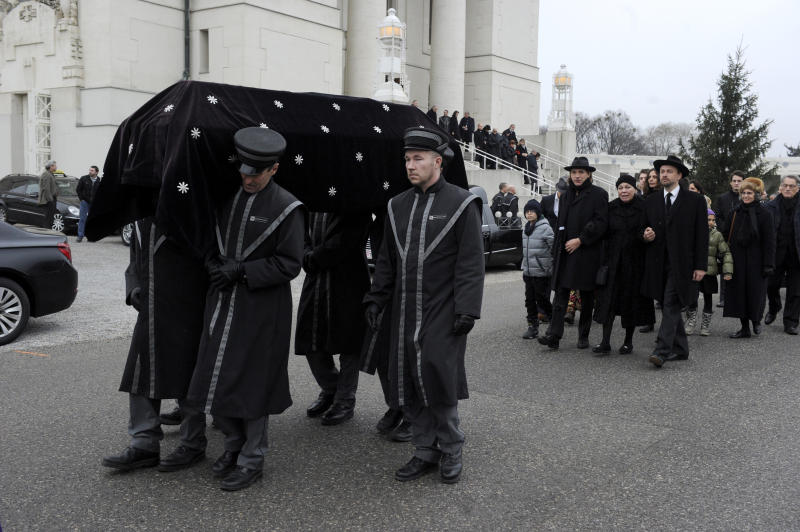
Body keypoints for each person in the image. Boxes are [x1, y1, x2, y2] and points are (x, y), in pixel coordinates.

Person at [185, 127, 305, 491]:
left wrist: (242, 271)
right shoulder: (228, 196)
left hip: (261, 308)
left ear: (274, 169)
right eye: (244, 170)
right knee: (216, 377)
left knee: (253, 384)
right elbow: (212, 241)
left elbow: (290, 264)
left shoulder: (288, 207)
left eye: (256, 173)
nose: (248, 178)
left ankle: (252, 459)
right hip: (222, 301)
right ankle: (233, 445)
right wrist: (212, 263)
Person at [364, 126, 484, 485]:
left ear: (438, 162)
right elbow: (386, 261)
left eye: (418, 159)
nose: (410, 165)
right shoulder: (396, 205)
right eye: (407, 159)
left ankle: (451, 448)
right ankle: (424, 450)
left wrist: (467, 308)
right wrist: (376, 298)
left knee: (437, 378)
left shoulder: (462, 203)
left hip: (443, 310)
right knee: (407, 380)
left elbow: (470, 262)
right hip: (402, 311)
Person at [101, 216, 208, 473]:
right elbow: (135, 261)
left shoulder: (190, 209)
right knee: (141, 373)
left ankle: (193, 443)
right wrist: (133, 288)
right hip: (150, 309)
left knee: (187, 373)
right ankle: (144, 443)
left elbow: (205, 259)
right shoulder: (139, 218)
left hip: (186, 307)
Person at [295, 211, 371, 425]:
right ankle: (331, 388)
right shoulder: (312, 198)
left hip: (348, 278)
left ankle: (345, 399)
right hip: (316, 278)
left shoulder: (356, 200)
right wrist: (305, 253)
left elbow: (350, 236)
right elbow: (301, 231)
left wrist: (316, 256)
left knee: (349, 344)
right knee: (310, 340)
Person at [641, 155, 708, 367]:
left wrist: (700, 266)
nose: (664, 175)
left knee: (670, 303)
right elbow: (642, 228)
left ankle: (661, 350)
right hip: (657, 262)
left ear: (679, 175)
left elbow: (702, 235)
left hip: (683, 264)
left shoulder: (695, 201)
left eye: (669, 171)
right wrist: (645, 235)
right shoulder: (650, 201)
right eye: (662, 171)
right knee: (667, 303)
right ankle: (681, 349)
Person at [537, 157, 609, 350]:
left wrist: (581, 239)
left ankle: (583, 336)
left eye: (581, 172)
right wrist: (557, 249)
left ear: (589, 174)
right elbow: (560, 223)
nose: (577, 176)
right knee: (561, 294)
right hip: (566, 252)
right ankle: (554, 335)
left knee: (586, 296)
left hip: (587, 252)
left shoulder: (599, 194)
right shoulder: (566, 195)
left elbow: (601, 222)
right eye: (574, 172)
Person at [591, 175, 654, 355]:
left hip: (634, 263)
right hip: (612, 263)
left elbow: (646, 229)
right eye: (620, 188)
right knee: (608, 303)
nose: (624, 191)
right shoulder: (610, 207)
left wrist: (646, 235)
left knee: (630, 303)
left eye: (627, 187)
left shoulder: (644, 207)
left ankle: (628, 342)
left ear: (635, 189)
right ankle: (605, 342)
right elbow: (602, 231)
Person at [723, 178, 775, 338]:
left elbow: (769, 241)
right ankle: (744, 328)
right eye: (744, 193)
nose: (746, 196)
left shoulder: (764, 214)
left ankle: (756, 320)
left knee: (756, 293)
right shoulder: (734, 213)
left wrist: (768, 264)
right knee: (739, 294)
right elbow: (725, 235)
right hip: (737, 260)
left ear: (756, 194)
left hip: (757, 261)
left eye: (749, 193)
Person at [686, 209, 733, 336]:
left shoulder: (717, 235)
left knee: (708, 299)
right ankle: (691, 322)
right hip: (695, 271)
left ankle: (705, 325)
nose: (711, 222)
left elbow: (726, 253)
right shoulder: (692, 233)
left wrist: (728, 271)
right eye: (708, 219)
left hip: (710, 273)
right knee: (692, 298)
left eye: (713, 220)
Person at [764, 175, 800, 335]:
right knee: (771, 285)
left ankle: (791, 322)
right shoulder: (770, 206)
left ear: (798, 188)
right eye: (785, 185)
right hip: (776, 253)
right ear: (780, 187)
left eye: (791, 186)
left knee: (796, 290)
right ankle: (774, 307)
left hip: (796, 254)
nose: (788, 188)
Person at [520, 199, 554, 339]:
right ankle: (532, 327)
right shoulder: (526, 228)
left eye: (532, 211)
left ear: (538, 213)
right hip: (528, 271)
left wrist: (548, 266)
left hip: (541, 272)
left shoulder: (546, 228)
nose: (529, 214)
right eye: (527, 212)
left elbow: (553, 248)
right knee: (529, 300)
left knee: (542, 299)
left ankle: (554, 322)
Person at [712, 170, 745, 307]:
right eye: (734, 181)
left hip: (742, 239)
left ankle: (739, 298)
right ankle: (724, 298)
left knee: (741, 269)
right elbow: (717, 216)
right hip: (726, 238)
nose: (736, 183)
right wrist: (725, 229)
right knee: (726, 267)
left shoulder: (746, 197)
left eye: (739, 181)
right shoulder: (723, 198)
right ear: (730, 183)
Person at [76, 165, 101, 242]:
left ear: (96, 172)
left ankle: (91, 236)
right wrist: (82, 199)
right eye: (90, 170)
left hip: (94, 203)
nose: (90, 172)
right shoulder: (84, 178)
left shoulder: (99, 180)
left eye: (92, 170)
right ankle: (80, 236)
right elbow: (78, 189)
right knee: (82, 219)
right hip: (85, 202)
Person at [38, 160, 59, 229]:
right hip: (48, 201)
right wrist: (50, 200)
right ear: (51, 166)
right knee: (48, 219)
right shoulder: (46, 174)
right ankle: (47, 233)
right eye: (55, 165)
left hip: (52, 199)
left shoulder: (51, 174)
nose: (56, 167)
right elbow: (46, 189)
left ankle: (49, 232)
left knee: (51, 218)